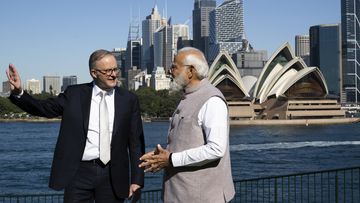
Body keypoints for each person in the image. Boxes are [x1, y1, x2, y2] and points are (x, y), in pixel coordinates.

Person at [6, 49, 145, 203]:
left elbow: (136, 143)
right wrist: (20, 93)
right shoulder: (74, 94)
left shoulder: (129, 99)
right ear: (94, 73)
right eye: (107, 71)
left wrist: (137, 180)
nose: (113, 74)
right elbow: (43, 108)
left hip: (114, 175)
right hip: (79, 174)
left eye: (115, 69)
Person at [139, 47, 235, 203]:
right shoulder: (189, 97)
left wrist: (170, 159)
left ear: (191, 71)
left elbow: (216, 149)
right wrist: (162, 156)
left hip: (202, 197)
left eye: (174, 67)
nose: (170, 71)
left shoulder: (212, 100)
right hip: (182, 195)